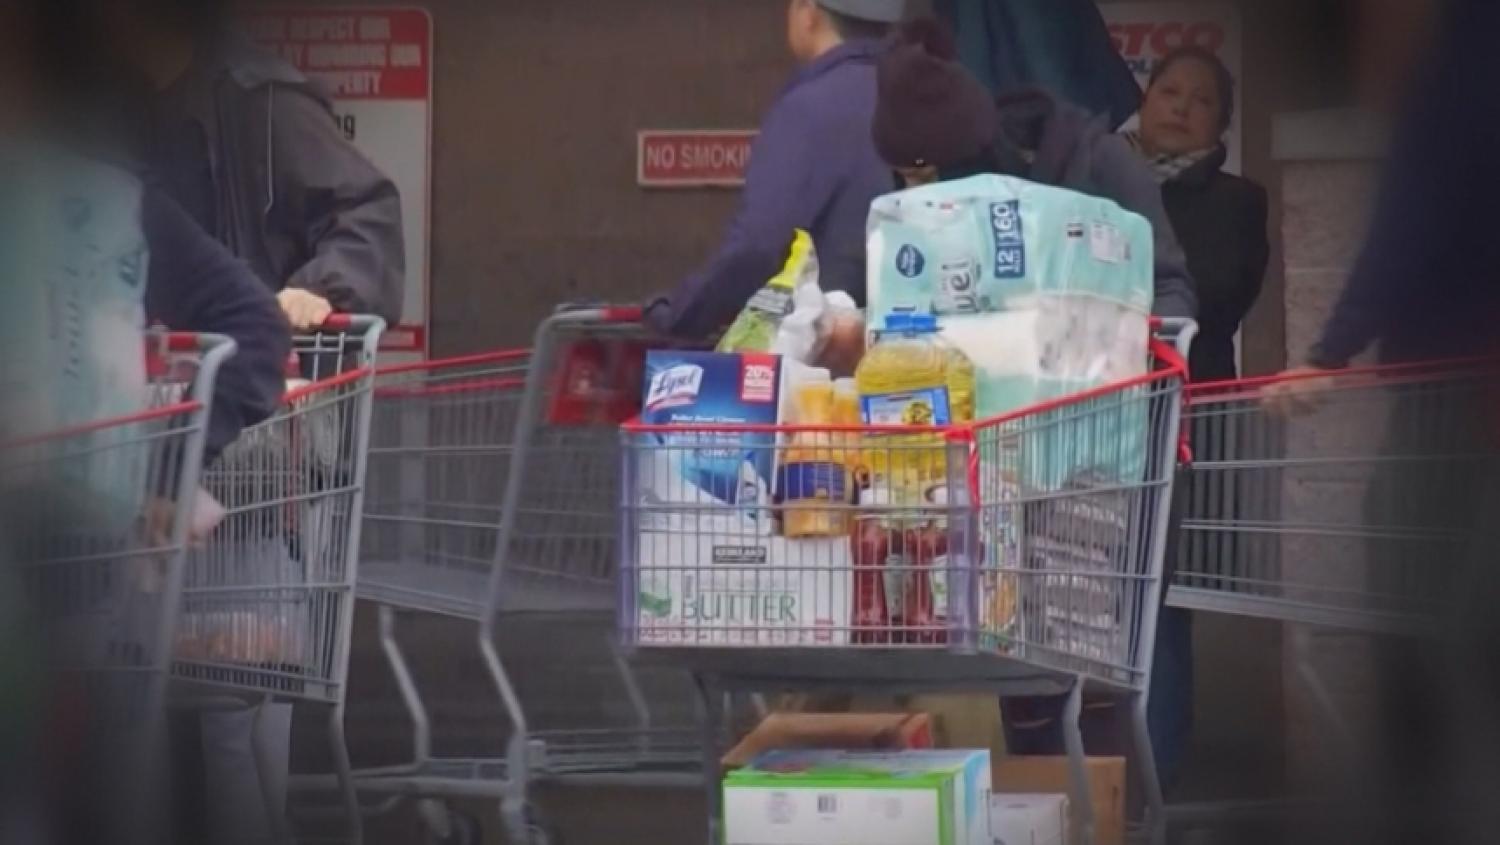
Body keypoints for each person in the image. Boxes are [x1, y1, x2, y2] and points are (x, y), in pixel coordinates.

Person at [1124, 45, 1269, 790]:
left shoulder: (1238, 201)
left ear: (1220, 126)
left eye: (1200, 98)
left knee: (1164, 601)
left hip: (1187, 419)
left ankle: (1159, 783)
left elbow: (1216, 290)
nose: (1179, 105)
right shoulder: (1096, 180)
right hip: (1099, 416)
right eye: (1168, 90)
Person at [105, 0, 405, 329]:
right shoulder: (94, 115)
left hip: (261, 357)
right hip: (141, 357)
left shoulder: (263, 102)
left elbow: (365, 211)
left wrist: (318, 288)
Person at [870, 18, 1197, 319]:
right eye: (904, 178)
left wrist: (1140, 353)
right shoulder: (923, 203)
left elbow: (1170, 286)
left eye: (925, 173)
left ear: (967, 151)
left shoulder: (1104, 164)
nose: (917, 193)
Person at [646, 0, 907, 339]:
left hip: (822, 364)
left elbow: (756, 246)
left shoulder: (811, 110)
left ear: (808, 12)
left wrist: (681, 313)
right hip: (917, 356)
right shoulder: (924, 98)